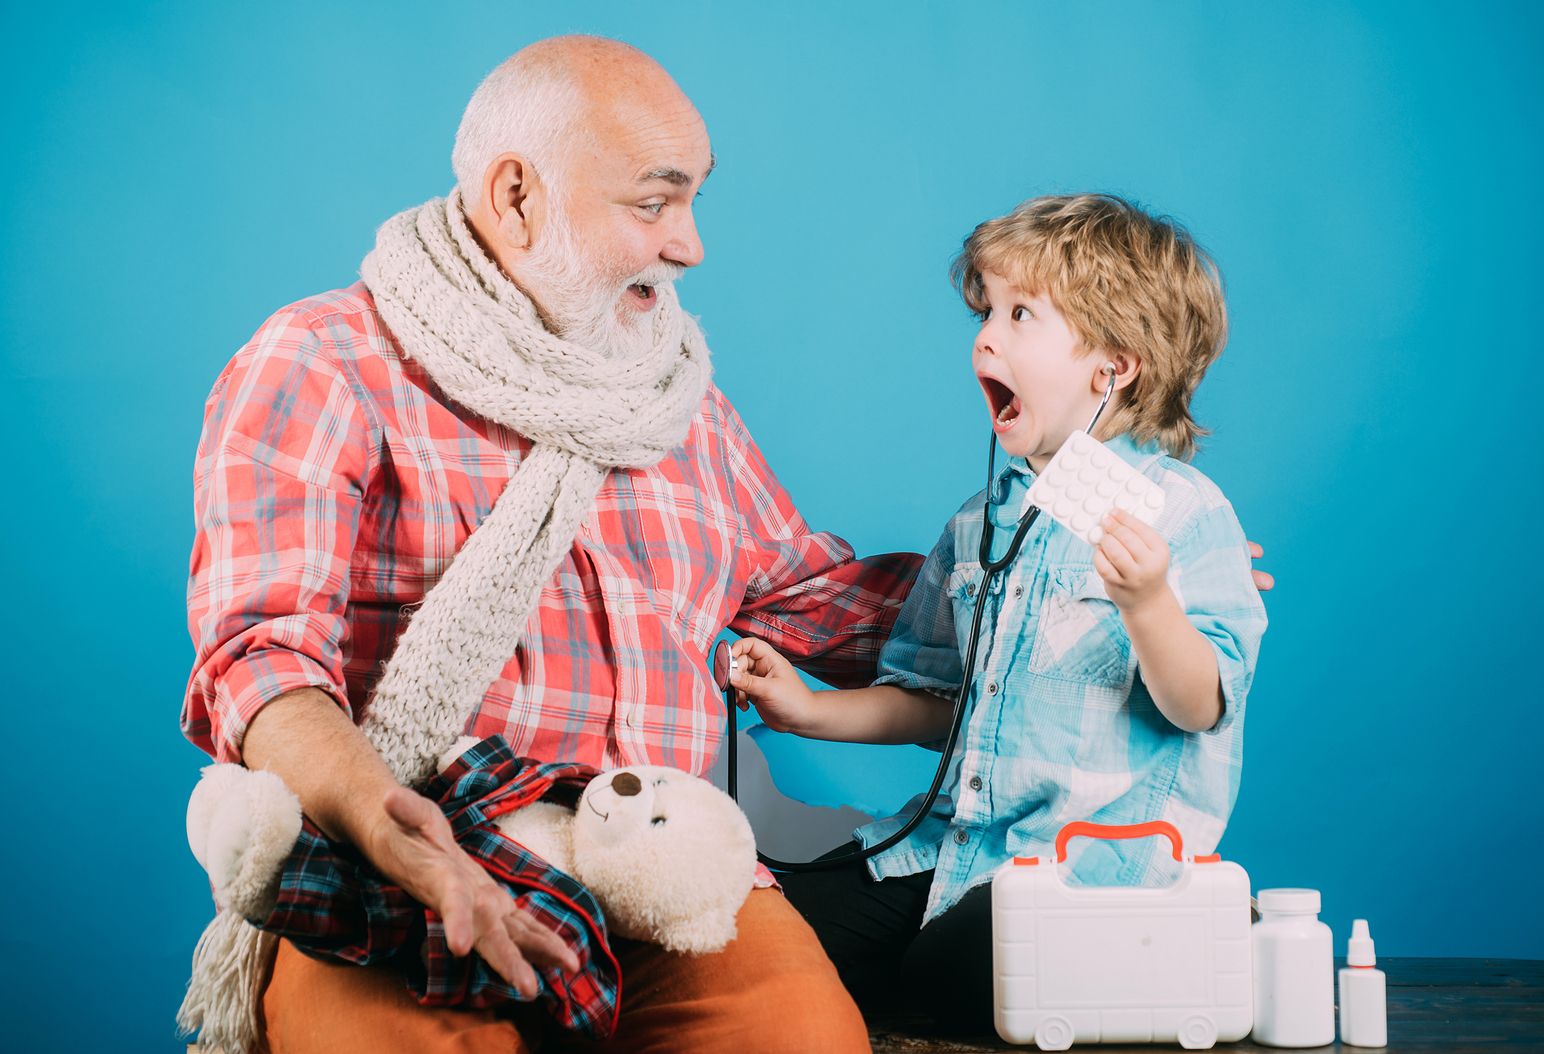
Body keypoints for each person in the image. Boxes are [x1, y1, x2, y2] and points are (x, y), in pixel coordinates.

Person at [181, 36, 923, 1054]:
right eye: (654, 203)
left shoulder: (677, 403)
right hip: (408, 868)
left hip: (660, 866)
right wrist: (399, 834)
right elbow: (259, 659)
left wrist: (1062, 579)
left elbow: (810, 600)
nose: (691, 245)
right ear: (518, 196)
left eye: (696, 200)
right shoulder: (322, 360)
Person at [731, 193, 1271, 1032]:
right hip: (953, 846)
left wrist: (1148, 603)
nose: (985, 336)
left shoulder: (1187, 516)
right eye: (987, 311)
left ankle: (1177, 946)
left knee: (943, 980)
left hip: (1088, 872)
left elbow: (1199, 705)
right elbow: (938, 704)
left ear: (1113, 367)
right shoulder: (977, 526)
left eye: (1022, 314)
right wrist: (808, 710)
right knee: (779, 949)